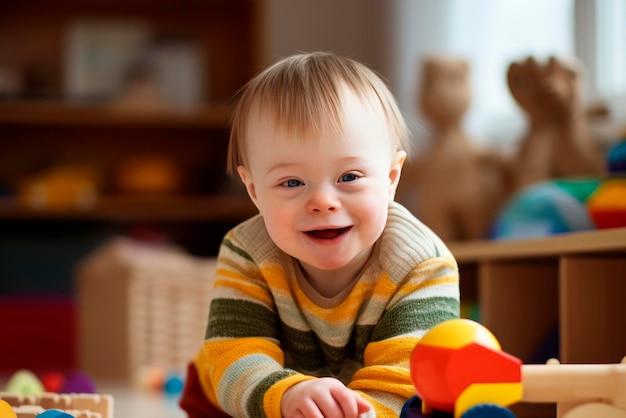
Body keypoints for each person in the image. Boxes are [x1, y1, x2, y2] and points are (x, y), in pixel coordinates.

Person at [179, 51, 460, 418]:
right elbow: (237, 353)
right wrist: (286, 395)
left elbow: (405, 383)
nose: (324, 202)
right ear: (254, 192)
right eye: (292, 182)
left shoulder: (420, 262)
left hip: (371, 399)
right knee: (211, 382)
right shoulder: (248, 251)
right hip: (267, 394)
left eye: (349, 177)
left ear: (391, 179)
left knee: (440, 393)